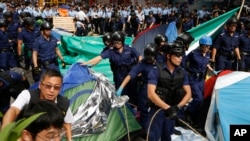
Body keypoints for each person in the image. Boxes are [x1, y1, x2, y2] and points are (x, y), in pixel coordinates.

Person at [1, 69, 74, 141]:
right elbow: (13, 110)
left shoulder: (64, 103)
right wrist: (5, 133)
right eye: (48, 86)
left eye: (56, 87)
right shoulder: (27, 95)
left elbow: (67, 124)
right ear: (40, 85)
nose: (52, 90)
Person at [146, 42, 191, 141]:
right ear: (168, 55)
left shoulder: (183, 73)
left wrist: (177, 107)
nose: (180, 58)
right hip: (157, 110)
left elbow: (188, 93)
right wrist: (167, 108)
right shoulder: (156, 70)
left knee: (168, 136)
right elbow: (151, 93)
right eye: (177, 55)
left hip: (172, 110)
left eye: (181, 55)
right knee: (153, 136)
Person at [81, 31, 142, 104]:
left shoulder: (129, 48)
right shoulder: (111, 50)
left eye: (118, 42)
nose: (116, 44)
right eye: (115, 42)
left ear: (122, 41)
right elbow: (99, 57)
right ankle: (126, 106)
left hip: (131, 71)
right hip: (119, 73)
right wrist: (87, 63)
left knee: (133, 90)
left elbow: (139, 56)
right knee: (121, 91)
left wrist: (139, 68)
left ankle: (135, 105)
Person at [116, 43, 158, 132]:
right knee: (144, 111)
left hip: (158, 89)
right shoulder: (143, 64)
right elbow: (131, 75)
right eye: (148, 58)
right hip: (145, 89)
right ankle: (145, 130)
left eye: (151, 58)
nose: (149, 60)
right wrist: (121, 87)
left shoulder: (160, 62)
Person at [185, 35, 215, 125]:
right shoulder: (193, 53)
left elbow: (205, 63)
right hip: (193, 78)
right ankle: (188, 112)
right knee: (198, 99)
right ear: (201, 45)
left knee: (202, 98)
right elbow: (183, 62)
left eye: (208, 46)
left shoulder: (208, 55)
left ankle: (195, 115)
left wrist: (211, 69)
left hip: (201, 79)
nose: (206, 48)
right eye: (204, 46)